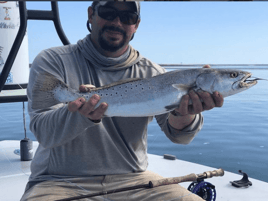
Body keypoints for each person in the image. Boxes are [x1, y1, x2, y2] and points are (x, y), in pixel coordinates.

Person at [21, 1, 224, 201]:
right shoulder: (53, 60)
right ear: (91, 14)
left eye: (128, 17)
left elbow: (180, 138)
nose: (117, 22)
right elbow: (43, 132)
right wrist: (79, 115)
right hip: (60, 181)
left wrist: (184, 112)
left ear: (136, 25)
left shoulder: (154, 73)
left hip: (136, 181)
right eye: (109, 13)